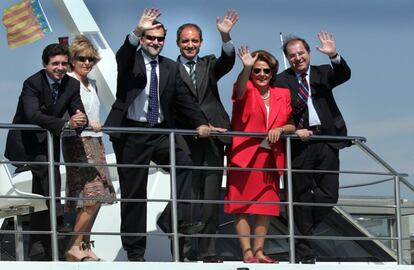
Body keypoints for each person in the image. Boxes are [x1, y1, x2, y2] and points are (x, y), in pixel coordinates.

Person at [104, 8, 219, 262]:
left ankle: (170, 218)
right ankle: (135, 253)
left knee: (185, 164)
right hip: (132, 132)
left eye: (159, 39)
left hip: (160, 132)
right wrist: (137, 30)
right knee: (135, 194)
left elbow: (185, 100)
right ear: (143, 40)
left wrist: (201, 123)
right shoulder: (130, 61)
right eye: (150, 38)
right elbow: (123, 53)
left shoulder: (170, 67)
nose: (155, 43)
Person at [4, 43, 88, 261]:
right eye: (55, 64)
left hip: (50, 142)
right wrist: (65, 123)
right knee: (47, 178)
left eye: (63, 63)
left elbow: (78, 112)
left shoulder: (70, 84)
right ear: (45, 65)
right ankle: (57, 220)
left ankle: (42, 249)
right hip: (25, 144)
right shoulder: (32, 83)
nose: (60, 68)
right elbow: (33, 115)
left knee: (45, 188)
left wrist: (80, 120)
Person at [273, 32, 351, 264]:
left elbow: (344, 74)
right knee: (300, 197)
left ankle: (300, 234)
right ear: (287, 57)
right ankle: (304, 251)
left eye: (301, 53)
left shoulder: (322, 73)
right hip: (299, 143)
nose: (298, 58)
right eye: (292, 55)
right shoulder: (281, 80)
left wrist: (334, 55)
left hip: (326, 140)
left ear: (308, 53)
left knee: (329, 195)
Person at [174, 10, 238, 262]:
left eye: (195, 41)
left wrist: (225, 36)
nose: (190, 45)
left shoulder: (209, 63)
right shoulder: (169, 69)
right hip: (184, 140)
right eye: (185, 41)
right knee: (187, 197)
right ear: (178, 43)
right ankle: (185, 252)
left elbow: (228, 60)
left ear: (200, 43)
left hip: (215, 138)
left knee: (211, 196)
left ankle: (208, 250)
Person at [224, 47, 295, 263]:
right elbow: (240, 90)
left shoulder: (283, 94)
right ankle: (246, 251)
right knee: (241, 204)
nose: (262, 75)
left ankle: (259, 251)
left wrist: (281, 129)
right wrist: (245, 67)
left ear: (272, 73)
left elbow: (291, 124)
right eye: (257, 71)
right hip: (244, 156)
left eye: (266, 70)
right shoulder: (244, 89)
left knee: (266, 206)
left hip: (270, 158)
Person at [61, 35, 116, 261]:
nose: (87, 63)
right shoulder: (67, 81)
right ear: (73, 60)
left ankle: (83, 245)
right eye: (82, 58)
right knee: (91, 195)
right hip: (78, 141)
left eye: (91, 59)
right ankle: (74, 244)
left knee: (98, 196)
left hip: (95, 142)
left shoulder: (91, 83)